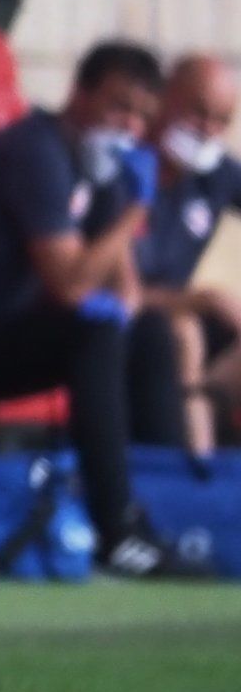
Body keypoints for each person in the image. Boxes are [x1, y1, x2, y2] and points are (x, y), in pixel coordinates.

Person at [0, 41, 208, 578]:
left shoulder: (99, 171)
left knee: (149, 333)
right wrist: (136, 208)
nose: (128, 126)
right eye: (117, 107)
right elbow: (67, 285)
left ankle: (163, 509)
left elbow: (124, 292)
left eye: (140, 116)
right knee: (91, 333)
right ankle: (117, 533)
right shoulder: (34, 153)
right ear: (78, 95)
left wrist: (121, 223)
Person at [137, 53, 241, 459]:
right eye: (198, 113)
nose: (208, 131)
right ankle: (191, 469)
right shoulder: (124, 169)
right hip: (128, 323)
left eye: (221, 122)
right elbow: (109, 288)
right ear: (165, 97)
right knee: (183, 331)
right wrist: (202, 300)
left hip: (183, 317)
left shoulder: (214, 175)